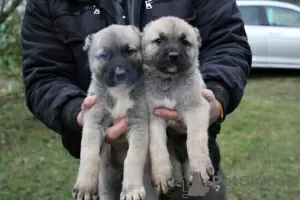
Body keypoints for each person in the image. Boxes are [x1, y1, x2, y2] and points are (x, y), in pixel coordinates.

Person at [21, 0, 252, 199]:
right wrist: (75, 112)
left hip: (188, 162)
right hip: (109, 164)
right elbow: (43, 73)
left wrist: (216, 98)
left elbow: (228, 42)